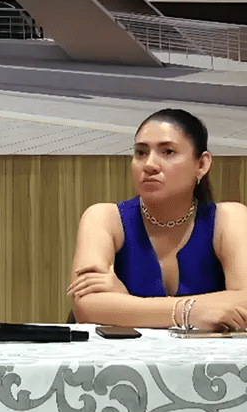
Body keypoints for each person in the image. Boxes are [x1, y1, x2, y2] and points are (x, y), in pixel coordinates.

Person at [68, 109, 247, 330]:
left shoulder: (230, 217)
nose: (149, 165)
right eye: (141, 153)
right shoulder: (104, 217)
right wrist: (188, 312)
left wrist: (124, 301)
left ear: (201, 164)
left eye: (168, 152)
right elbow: (87, 307)